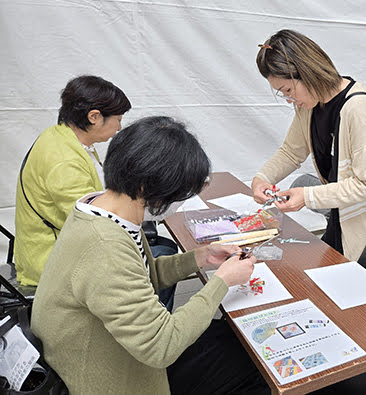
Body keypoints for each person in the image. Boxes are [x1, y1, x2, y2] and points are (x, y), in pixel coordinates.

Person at [31, 116, 268, 394]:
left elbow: (144, 275)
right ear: (146, 187)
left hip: (120, 349)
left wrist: (201, 257)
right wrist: (222, 282)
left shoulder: (105, 209)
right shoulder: (104, 247)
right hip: (115, 378)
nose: (180, 202)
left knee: (228, 336)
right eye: (179, 194)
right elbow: (161, 347)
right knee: (255, 364)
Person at [252, 29, 366, 261]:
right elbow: (291, 151)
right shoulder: (309, 106)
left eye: (288, 90)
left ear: (307, 73)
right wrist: (263, 177)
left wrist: (307, 197)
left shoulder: (360, 109)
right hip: (342, 216)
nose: (289, 99)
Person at [14, 75, 131, 286]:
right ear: (94, 116)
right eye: (118, 119)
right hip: (52, 263)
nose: (119, 128)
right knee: (153, 261)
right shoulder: (65, 161)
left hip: (52, 246)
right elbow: (92, 225)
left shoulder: (60, 136)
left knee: (155, 250)